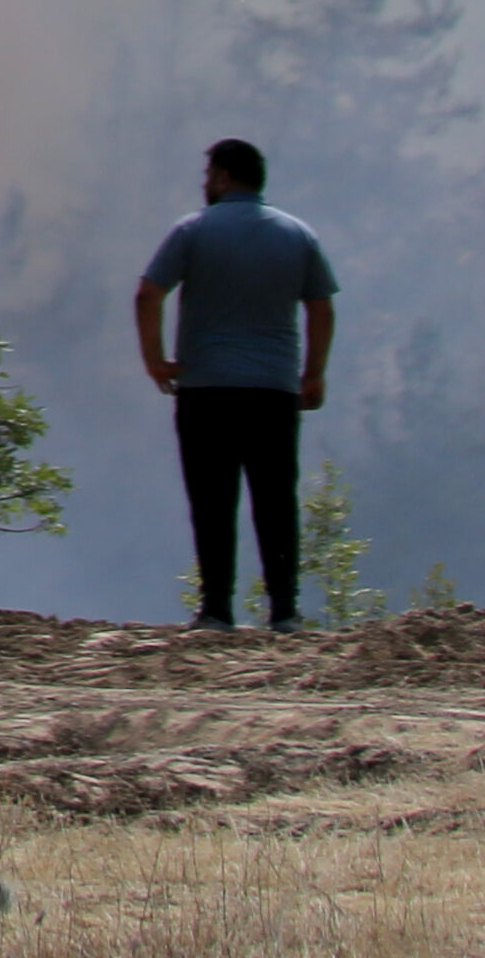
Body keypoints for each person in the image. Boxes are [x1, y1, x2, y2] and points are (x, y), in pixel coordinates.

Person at [137, 135, 336, 631]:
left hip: (206, 388)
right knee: (275, 499)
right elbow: (321, 308)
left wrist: (156, 361)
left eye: (209, 175)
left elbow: (148, 294)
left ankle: (216, 610)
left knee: (212, 500)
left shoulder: (192, 230)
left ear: (225, 177)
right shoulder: (298, 235)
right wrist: (313, 373)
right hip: (273, 390)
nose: (205, 184)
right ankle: (284, 611)